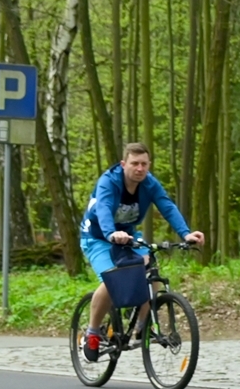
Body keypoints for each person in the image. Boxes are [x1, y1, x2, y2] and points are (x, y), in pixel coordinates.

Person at [78, 143, 203, 361]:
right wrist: (111, 233)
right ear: (123, 164)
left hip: (127, 235)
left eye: (144, 164)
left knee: (150, 267)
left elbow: (167, 206)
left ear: (149, 165)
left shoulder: (149, 183)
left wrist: (186, 234)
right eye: (134, 163)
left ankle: (142, 327)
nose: (139, 168)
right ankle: (92, 333)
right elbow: (104, 209)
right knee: (112, 278)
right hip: (98, 237)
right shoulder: (109, 182)